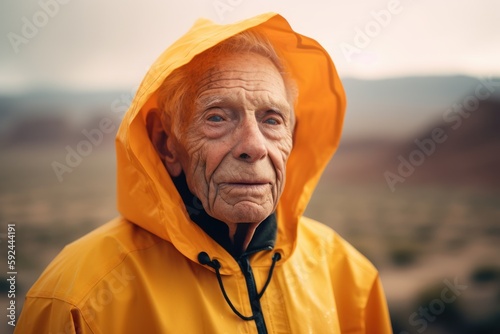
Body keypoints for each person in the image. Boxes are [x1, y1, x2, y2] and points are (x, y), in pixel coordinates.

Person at [15, 13, 392, 333]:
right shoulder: (78, 298)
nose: (254, 145)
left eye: (272, 119)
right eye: (217, 117)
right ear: (167, 144)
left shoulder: (349, 277)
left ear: (292, 137)